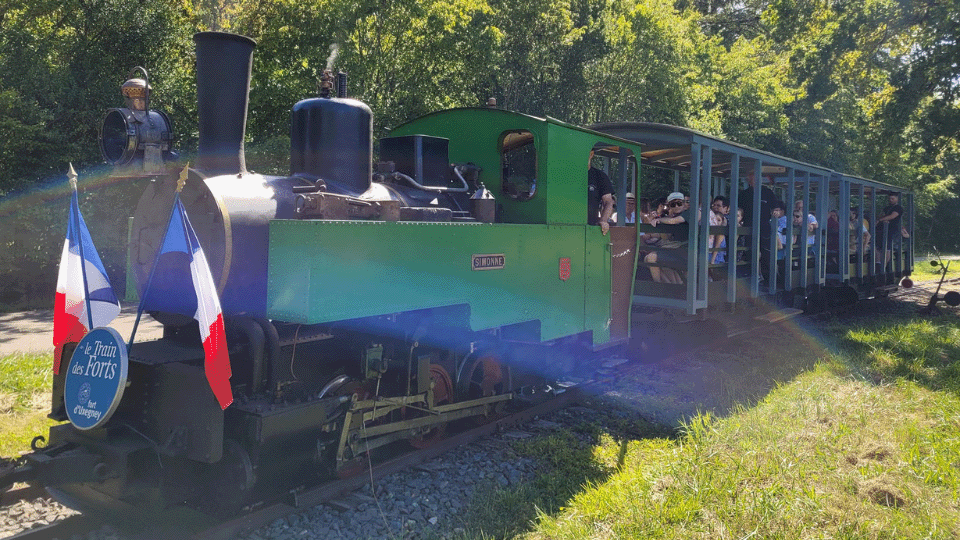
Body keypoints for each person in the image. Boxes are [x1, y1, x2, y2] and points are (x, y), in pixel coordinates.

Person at [644, 192, 691, 283]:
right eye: (673, 204)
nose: (676, 206)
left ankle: (658, 285)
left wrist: (659, 219)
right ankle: (672, 286)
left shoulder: (688, 214)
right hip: (674, 251)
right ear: (669, 206)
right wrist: (651, 222)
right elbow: (665, 237)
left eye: (679, 203)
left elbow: (673, 221)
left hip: (685, 252)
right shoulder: (668, 217)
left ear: (684, 203)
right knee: (648, 259)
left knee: (651, 258)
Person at [587, 150, 614, 235]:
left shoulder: (600, 176)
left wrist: (603, 221)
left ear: (591, 154)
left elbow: (608, 201)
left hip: (591, 228)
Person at [876, 192, 903, 265]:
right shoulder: (887, 208)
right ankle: (878, 264)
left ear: (897, 199)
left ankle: (884, 265)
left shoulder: (898, 208)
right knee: (878, 247)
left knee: (887, 248)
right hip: (880, 230)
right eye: (890, 198)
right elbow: (881, 215)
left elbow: (892, 216)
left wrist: (881, 220)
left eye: (892, 198)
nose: (891, 200)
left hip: (890, 230)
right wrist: (880, 219)